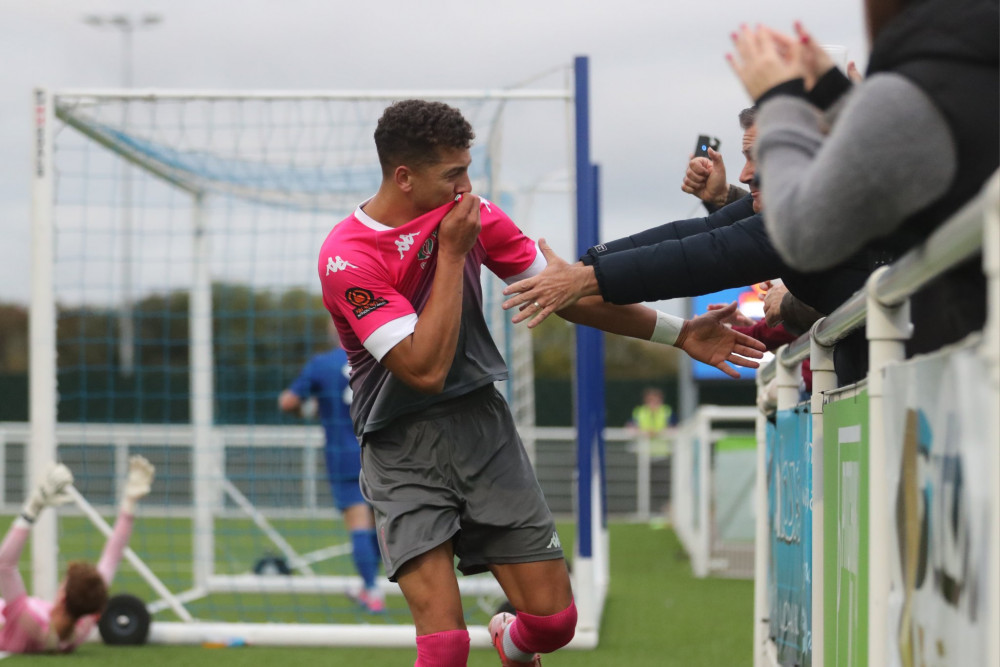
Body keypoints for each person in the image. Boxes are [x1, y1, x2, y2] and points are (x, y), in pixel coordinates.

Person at [317, 99, 765, 667]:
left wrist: (680, 335)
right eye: (452, 175)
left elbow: (567, 296)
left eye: (467, 170)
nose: (466, 186)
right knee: (446, 644)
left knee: (555, 624)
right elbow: (423, 369)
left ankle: (511, 640)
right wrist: (454, 255)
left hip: (483, 430)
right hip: (400, 444)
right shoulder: (347, 257)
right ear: (404, 178)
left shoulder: (476, 216)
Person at [500, 108, 871, 385]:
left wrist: (585, 279)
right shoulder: (817, 199)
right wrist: (587, 266)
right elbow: (702, 231)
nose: (745, 173)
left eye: (758, 157)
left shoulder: (814, 211)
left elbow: (710, 254)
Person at [727, 6, 998, 357]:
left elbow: (803, 236)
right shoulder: (973, 70)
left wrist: (779, 104)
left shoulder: (912, 87)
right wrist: (834, 94)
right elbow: (916, 161)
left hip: (967, 365)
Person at [0, 455, 155, 654]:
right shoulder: (81, 627)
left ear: (63, 597)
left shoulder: (28, 624)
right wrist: (130, 502)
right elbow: (112, 556)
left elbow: (4, 566)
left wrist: (32, 509)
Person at [278, 325, 382, 614]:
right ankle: (370, 587)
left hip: (343, 456)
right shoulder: (381, 356)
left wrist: (306, 408)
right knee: (378, 522)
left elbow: (288, 401)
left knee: (359, 524)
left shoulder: (322, 364)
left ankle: (372, 592)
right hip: (384, 455)